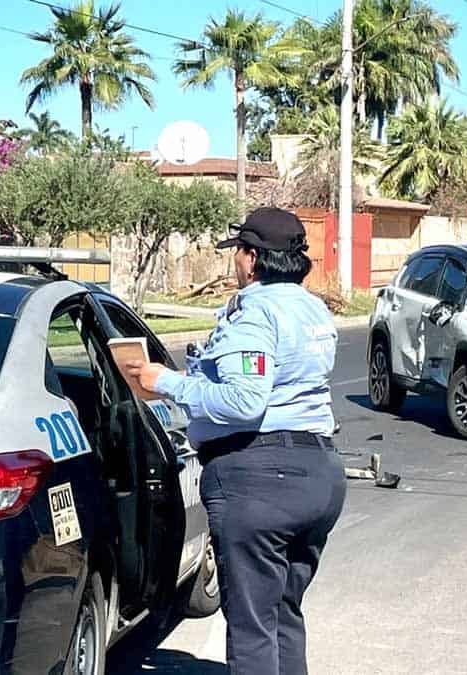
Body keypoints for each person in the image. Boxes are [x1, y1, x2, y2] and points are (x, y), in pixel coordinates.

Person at [124, 208, 346, 675]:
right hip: (318, 473)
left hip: (260, 479)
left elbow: (244, 402)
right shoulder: (312, 308)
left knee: (251, 629)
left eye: (239, 254)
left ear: (252, 257)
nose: (236, 265)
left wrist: (167, 382)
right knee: (284, 614)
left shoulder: (255, 310)